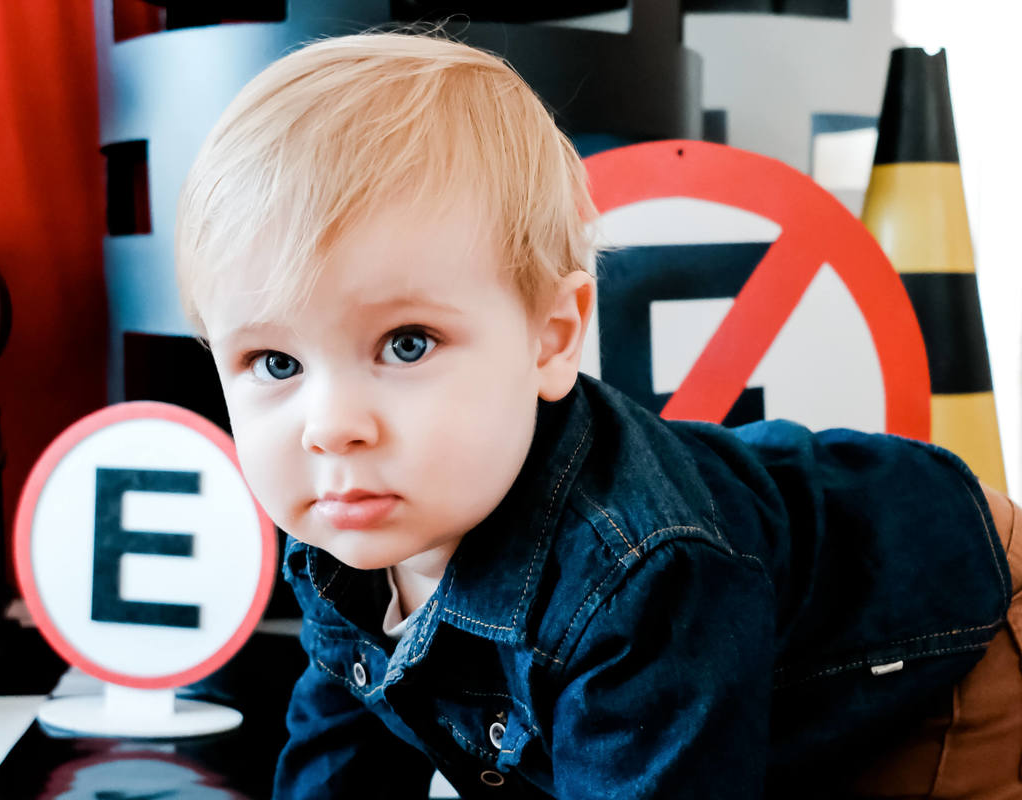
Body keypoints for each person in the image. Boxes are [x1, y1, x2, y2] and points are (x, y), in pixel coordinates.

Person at [174, 30, 1022, 799]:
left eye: (406, 344)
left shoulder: (637, 575)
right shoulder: (348, 521)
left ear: (551, 339)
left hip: (947, 636)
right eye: (275, 363)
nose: (331, 426)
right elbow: (342, 745)